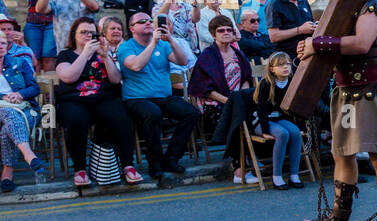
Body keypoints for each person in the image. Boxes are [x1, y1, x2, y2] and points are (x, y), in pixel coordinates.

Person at [299, 0, 377, 221]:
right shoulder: (345, 7)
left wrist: (316, 44)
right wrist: (310, 47)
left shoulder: (372, 6)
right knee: (343, 153)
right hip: (346, 93)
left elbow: (361, 44)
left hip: (372, 93)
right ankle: (339, 218)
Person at [54, 16, 141, 187]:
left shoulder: (102, 54)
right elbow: (68, 77)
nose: (88, 36)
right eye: (83, 32)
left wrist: (106, 56)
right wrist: (85, 54)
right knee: (76, 120)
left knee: (121, 117)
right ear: (74, 35)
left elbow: (116, 80)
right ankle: (80, 169)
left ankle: (127, 166)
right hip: (74, 100)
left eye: (92, 33)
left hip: (103, 98)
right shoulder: (65, 55)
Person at [118, 10, 199, 180]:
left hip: (163, 97)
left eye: (149, 20)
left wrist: (170, 40)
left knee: (191, 113)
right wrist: (153, 43)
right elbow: (136, 65)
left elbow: (182, 62)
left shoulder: (163, 45)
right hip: (136, 99)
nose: (148, 23)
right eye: (142, 21)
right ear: (132, 28)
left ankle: (171, 158)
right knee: (153, 114)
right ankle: (155, 163)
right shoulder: (126, 46)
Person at [189, 14, 258, 183]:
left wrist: (240, 98)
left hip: (237, 101)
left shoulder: (238, 54)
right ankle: (239, 169)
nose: (226, 33)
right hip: (215, 104)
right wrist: (231, 102)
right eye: (221, 31)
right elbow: (203, 89)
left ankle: (253, 159)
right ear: (213, 35)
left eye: (229, 30)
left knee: (257, 115)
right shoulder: (208, 55)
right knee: (238, 120)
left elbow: (246, 80)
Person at [251, 52, 304, 188]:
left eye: (287, 64)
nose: (285, 67)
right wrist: (265, 131)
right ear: (271, 69)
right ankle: (277, 176)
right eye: (280, 65)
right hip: (261, 121)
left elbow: (297, 105)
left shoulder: (292, 81)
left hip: (280, 118)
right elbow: (261, 110)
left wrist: (301, 125)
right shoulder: (266, 84)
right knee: (282, 134)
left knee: (295, 132)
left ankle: (294, 174)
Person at [0, 32, 45, 191]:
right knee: (8, 113)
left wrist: (20, 94)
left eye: (3, 43)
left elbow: (34, 88)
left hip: (24, 109)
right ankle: (28, 155)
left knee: (8, 124)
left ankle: (7, 175)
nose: (1, 46)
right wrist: (3, 96)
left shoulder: (19, 62)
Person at [267, 0, 317, 64]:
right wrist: (300, 30)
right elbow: (273, 36)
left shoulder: (304, 2)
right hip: (287, 60)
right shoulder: (275, 4)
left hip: (306, 56)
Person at [20, 0, 60, 71]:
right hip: (33, 24)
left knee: (48, 56)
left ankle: (49, 86)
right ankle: (37, 85)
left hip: (51, 22)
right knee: (34, 57)